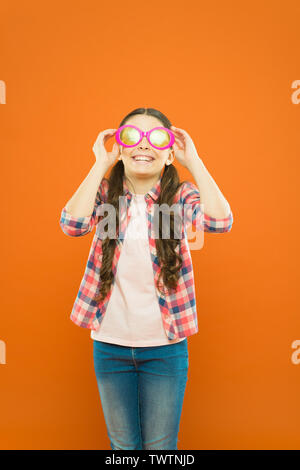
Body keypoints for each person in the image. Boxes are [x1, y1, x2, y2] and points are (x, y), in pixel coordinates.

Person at [59, 107, 233, 450]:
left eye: (156, 138)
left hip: (165, 348)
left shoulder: (180, 197)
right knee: (123, 445)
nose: (143, 145)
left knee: (160, 445)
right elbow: (72, 225)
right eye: (131, 136)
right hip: (109, 345)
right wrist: (99, 164)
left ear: (169, 153)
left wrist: (193, 161)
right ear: (120, 148)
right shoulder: (107, 195)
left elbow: (219, 222)